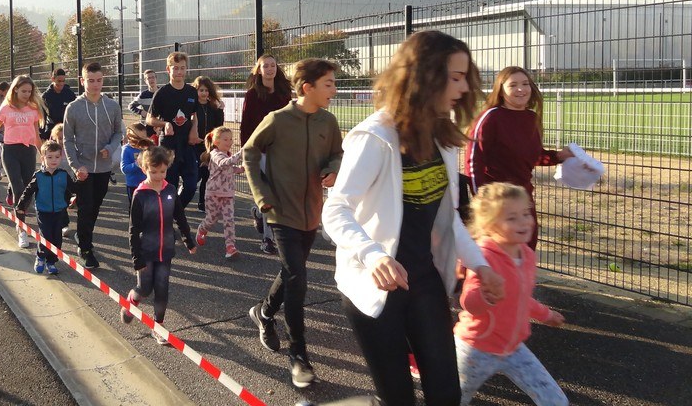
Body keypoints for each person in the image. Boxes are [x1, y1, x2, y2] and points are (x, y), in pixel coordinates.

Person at [320, 31, 505, 405]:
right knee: (398, 398)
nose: (464, 87)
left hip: (424, 281)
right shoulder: (376, 137)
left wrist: (480, 265)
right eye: (455, 77)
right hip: (375, 287)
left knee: (446, 394)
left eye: (465, 77)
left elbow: (448, 218)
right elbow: (335, 209)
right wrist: (374, 255)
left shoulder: (442, 136)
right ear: (424, 76)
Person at [243, 58, 343, 388]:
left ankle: (263, 312)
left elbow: (338, 153)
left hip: (311, 213)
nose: (334, 90)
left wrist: (332, 168)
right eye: (328, 84)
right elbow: (249, 152)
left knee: (291, 272)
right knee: (298, 279)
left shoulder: (328, 121)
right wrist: (261, 195)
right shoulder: (278, 119)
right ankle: (298, 356)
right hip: (280, 211)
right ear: (307, 88)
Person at [455, 182, 568, 406]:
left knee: (555, 400)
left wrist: (545, 314)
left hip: (513, 347)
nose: (524, 222)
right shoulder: (483, 257)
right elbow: (469, 302)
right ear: (489, 224)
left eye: (526, 213)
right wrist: (485, 296)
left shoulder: (526, 255)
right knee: (452, 399)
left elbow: (521, 297)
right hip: (475, 349)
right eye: (512, 218)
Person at [466, 66, 573, 250]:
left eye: (525, 84)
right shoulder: (490, 118)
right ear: (501, 90)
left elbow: (532, 156)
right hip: (497, 199)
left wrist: (558, 157)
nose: (521, 89)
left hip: (523, 198)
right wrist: (483, 200)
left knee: (526, 247)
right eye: (513, 85)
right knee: (498, 252)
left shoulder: (531, 118)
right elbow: (473, 162)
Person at [120, 146, 198, 345]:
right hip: (146, 251)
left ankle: (159, 326)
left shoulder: (170, 190)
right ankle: (132, 300)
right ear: (144, 169)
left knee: (162, 288)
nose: (158, 176)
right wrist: (136, 258)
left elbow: (179, 216)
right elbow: (133, 229)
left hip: (166, 249)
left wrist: (188, 239)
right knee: (145, 288)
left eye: (162, 171)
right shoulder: (140, 194)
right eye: (153, 171)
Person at [63, 62, 124, 270]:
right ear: (82, 81)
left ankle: (83, 236)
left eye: (99, 80)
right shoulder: (73, 108)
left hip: (104, 168)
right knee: (86, 207)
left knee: (95, 207)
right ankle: (85, 248)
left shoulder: (112, 106)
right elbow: (67, 140)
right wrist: (75, 165)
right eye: (90, 81)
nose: (95, 85)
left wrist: (111, 147)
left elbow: (118, 132)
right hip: (84, 169)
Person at [240, 54, 293, 254]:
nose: (270, 69)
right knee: (267, 194)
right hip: (259, 151)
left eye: (273, 65)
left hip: (280, 151)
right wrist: (246, 153)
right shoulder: (252, 95)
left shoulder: (284, 93)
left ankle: (257, 212)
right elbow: (246, 125)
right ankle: (268, 239)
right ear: (259, 70)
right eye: (265, 66)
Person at [0, 75, 47, 247]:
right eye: (23, 91)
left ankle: (12, 194)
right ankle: (21, 229)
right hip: (10, 151)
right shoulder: (6, 108)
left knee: (28, 189)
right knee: (19, 189)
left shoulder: (33, 109)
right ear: (15, 90)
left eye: (29, 91)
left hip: (28, 151)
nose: (27, 94)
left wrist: (43, 155)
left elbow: (36, 136)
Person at [148, 52, 200, 214]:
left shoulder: (191, 92)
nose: (179, 72)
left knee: (191, 186)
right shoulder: (162, 93)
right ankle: (168, 216)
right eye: (175, 68)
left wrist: (194, 129)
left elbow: (194, 115)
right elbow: (150, 119)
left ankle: (175, 212)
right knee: (169, 187)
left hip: (187, 145)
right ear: (168, 69)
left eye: (182, 68)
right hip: (168, 145)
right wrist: (165, 124)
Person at [15, 141, 78, 276]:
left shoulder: (63, 174)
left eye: (57, 157)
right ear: (43, 158)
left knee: (56, 239)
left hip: (59, 211)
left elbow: (74, 188)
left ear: (61, 157)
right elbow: (28, 191)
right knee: (45, 236)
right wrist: (21, 206)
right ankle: (40, 257)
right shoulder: (39, 176)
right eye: (50, 157)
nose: (53, 160)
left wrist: (78, 194)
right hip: (43, 211)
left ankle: (51, 261)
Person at [195, 126, 244, 259]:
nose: (230, 142)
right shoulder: (216, 154)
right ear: (216, 142)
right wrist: (241, 153)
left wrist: (240, 169)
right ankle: (202, 229)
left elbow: (229, 168)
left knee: (229, 220)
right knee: (212, 219)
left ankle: (230, 247)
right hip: (214, 193)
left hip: (227, 194)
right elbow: (224, 164)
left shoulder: (227, 154)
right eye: (225, 139)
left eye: (231, 139)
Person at [192, 75, 225, 212]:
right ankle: (186, 190)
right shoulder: (193, 106)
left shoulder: (212, 107)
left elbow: (219, 125)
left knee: (207, 175)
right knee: (196, 175)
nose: (204, 93)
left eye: (206, 90)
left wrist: (220, 110)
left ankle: (203, 203)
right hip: (194, 145)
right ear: (196, 91)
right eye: (201, 90)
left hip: (208, 146)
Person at [121, 122, 155, 205]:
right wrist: (137, 164)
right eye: (137, 138)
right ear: (129, 137)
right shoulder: (127, 149)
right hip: (133, 184)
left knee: (149, 206)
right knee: (135, 206)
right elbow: (124, 169)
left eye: (143, 138)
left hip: (148, 183)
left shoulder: (148, 147)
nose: (141, 142)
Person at [41, 68, 77, 140]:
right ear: (53, 79)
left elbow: (75, 111)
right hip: (52, 129)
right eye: (59, 81)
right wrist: (42, 135)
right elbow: (42, 117)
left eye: (63, 81)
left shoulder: (69, 94)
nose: (61, 84)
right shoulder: (46, 96)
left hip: (67, 128)